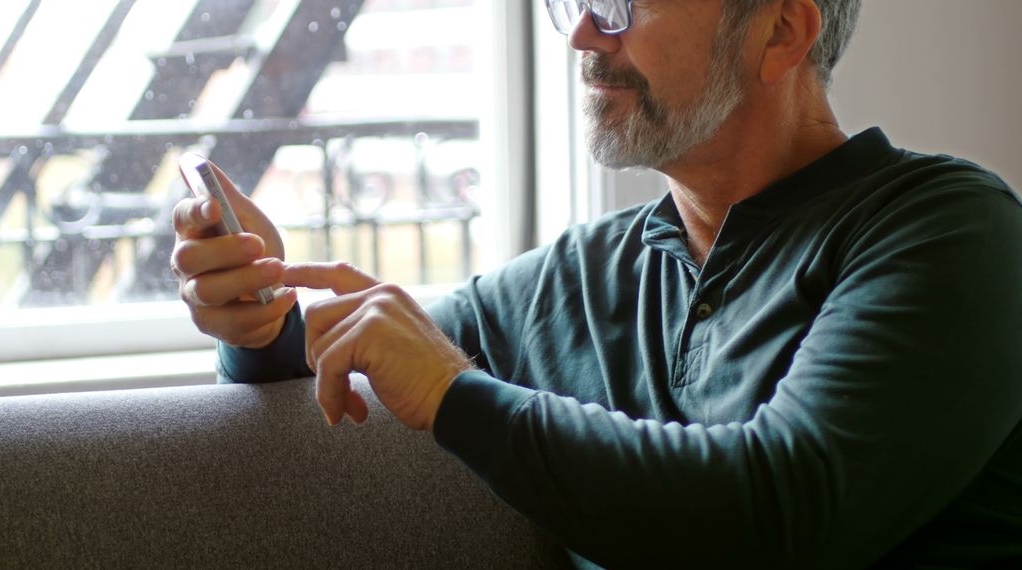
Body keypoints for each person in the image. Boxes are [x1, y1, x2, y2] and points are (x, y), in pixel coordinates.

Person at [171, 0, 1022, 566]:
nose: (581, 33)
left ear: (781, 32)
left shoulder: (950, 230)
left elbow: (785, 510)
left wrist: (453, 393)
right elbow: (340, 359)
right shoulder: (580, 278)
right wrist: (257, 317)